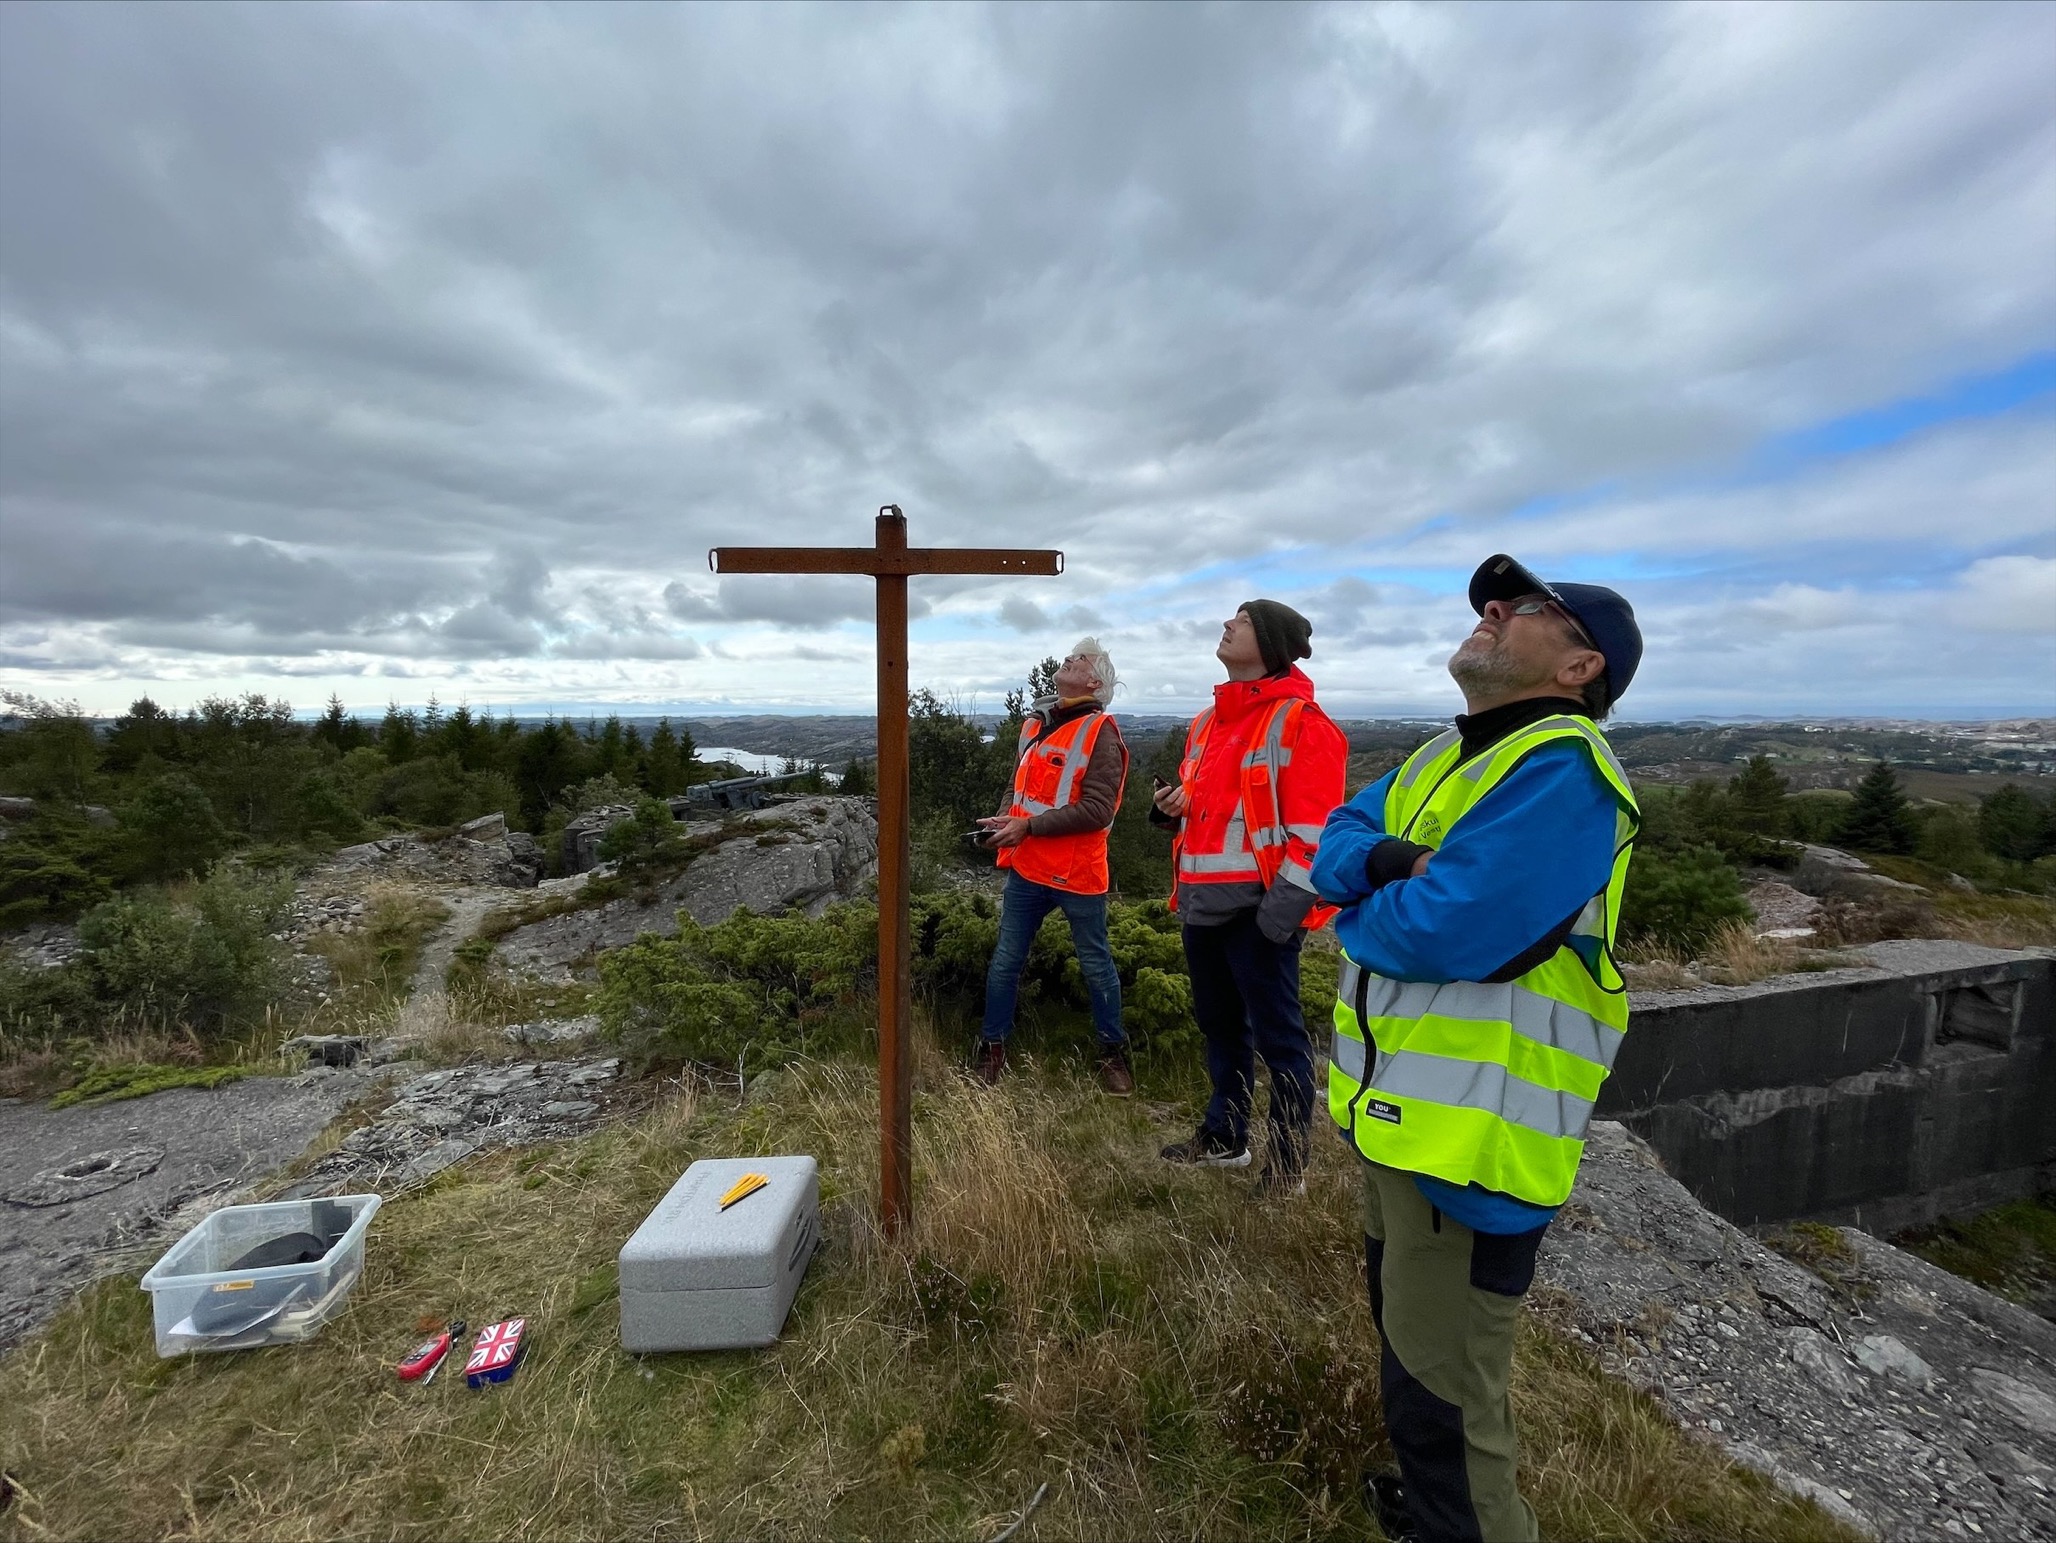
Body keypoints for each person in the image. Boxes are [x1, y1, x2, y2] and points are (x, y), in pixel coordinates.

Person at [1311, 554, 1644, 1543]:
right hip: (1401, 1129)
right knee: (1412, 1355)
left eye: (1525, 605)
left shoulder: (1564, 771)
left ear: (1581, 667)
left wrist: (1356, 907)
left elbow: (1446, 932)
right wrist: (1382, 867)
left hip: (1473, 1152)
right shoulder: (1434, 759)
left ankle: (1465, 1526)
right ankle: (1433, 1509)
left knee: (1447, 1398)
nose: (1490, 610)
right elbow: (1334, 841)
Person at [1151, 600, 1346, 1196]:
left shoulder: (1303, 723)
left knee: (1280, 1039)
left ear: (1269, 642)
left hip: (1259, 910)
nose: (1227, 624)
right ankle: (1226, 1135)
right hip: (1202, 903)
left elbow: (1318, 835)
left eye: (1241, 619)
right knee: (1218, 1024)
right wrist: (1170, 808)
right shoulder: (1207, 722)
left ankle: (1286, 1169)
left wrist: (1276, 920)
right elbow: (1207, 806)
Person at [974, 639, 1135, 1095]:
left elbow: (1100, 809)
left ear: (1094, 682)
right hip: (1028, 869)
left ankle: (1112, 1052)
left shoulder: (1100, 730)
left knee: (1096, 966)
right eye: (1072, 654)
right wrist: (1007, 818)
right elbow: (1017, 785)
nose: (1070, 659)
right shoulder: (1035, 724)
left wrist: (1028, 828)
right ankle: (992, 1046)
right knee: (1006, 961)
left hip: (1077, 874)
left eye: (1081, 658)